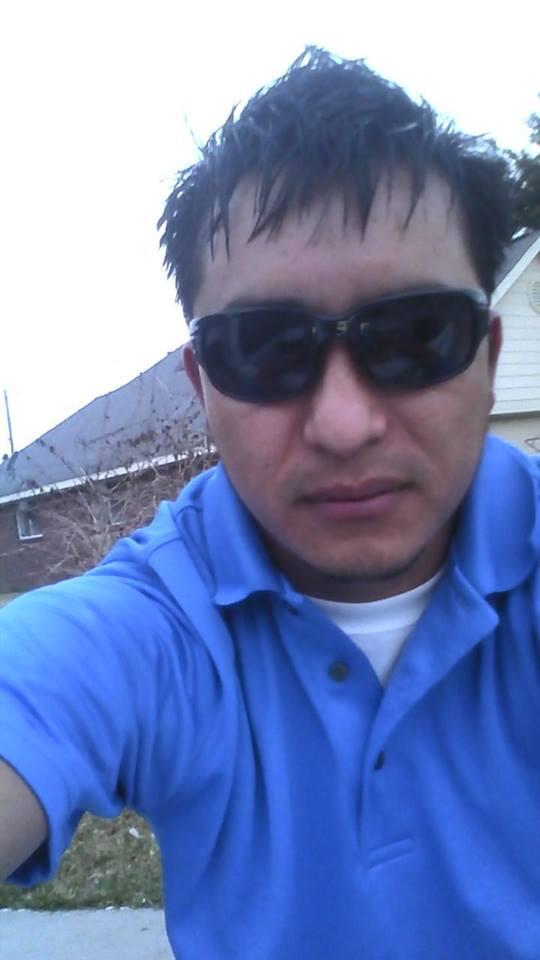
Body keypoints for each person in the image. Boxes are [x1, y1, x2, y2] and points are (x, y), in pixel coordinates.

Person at [0, 48, 538, 960]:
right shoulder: (154, 626)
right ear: (202, 386)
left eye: (415, 336)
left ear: (487, 358)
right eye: (264, 348)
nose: (344, 424)